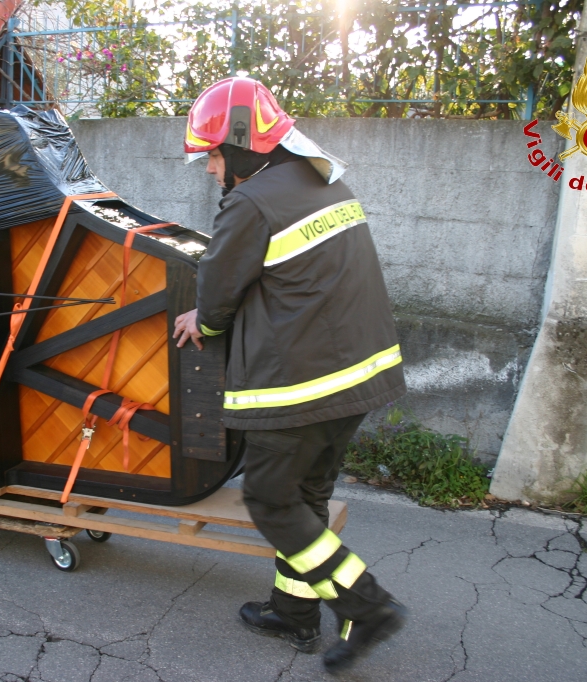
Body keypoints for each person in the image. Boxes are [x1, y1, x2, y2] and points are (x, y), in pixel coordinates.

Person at [172, 77, 407, 674]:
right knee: (308, 495)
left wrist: (204, 320)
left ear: (244, 146)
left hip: (303, 382)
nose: (209, 169)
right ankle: (294, 611)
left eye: (214, 155)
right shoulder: (323, 180)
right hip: (360, 375)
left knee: (271, 498)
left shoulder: (252, 202)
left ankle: (367, 604)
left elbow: (217, 294)